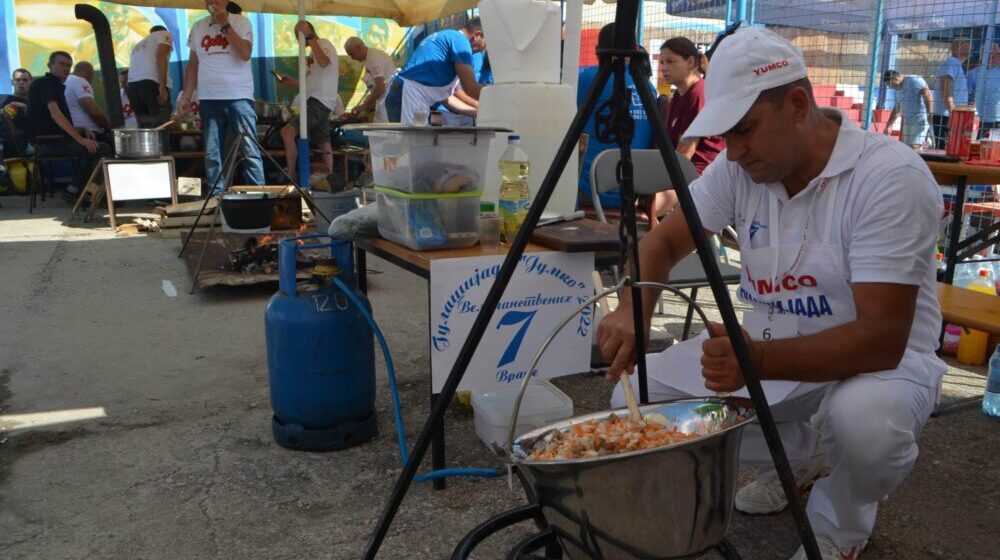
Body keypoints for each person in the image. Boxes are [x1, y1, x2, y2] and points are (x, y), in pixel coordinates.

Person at [596, 28, 945, 560]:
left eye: (745, 130)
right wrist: (633, 307)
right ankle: (800, 458)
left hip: (879, 367)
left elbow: (881, 339)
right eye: (726, 134)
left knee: (864, 423)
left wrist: (755, 360)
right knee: (643, 400)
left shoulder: (889, 176)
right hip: (774, 351)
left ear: (799, 105)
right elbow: (662, 243)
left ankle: (839, 523)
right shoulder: (741, 169)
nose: (733, 151)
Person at [179, 0, 263, 195]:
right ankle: (217, 197)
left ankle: (258, 195)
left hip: (239, 96)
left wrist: (225, 25)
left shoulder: (241, 22)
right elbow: (192, 65)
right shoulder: (198, 26)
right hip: (208, 97)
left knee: (249, 148)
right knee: (212, 152)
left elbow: (245, 53)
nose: (212, 1)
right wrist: (186, 97)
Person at [577, 24, 657, 210]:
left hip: (591, 190)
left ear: (598, 50)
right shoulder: (648, 87)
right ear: (634, 49)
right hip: (634, 192)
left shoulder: (589, 78)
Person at [652, 37, 725, 224]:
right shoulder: (678, 95)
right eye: (662, 62)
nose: (663, 68)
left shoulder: (698, 94)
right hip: (683, 176)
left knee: (643, 205)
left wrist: (652, 181)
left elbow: (684, 155)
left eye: (670, 61)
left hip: (698, 178)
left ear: (690, 62)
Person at [25, 51, 113, 199]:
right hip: (47, 144)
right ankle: (83, 193)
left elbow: (50, 122)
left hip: (54, 140)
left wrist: (80, 129)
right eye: (61, 64)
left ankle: (79, 189)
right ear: (50, 65)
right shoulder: (46, 83)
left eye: (68, 65)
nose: (66, 68)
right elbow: (55, 114)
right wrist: (80, 139)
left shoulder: (57, 86)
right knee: (102, 149)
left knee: (101, 143)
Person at [383, 17, 486, 125]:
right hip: (409, 96)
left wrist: (477, 113)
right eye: (484, 44)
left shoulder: (448, 37)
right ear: (478, 35)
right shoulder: (461, 42)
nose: (478, 53)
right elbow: (470, 87)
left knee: (415, 135)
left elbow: (446, 98)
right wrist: (495, 100)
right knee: (412, 136)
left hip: (404, 94)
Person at [274, 20, 340, 183]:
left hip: (320, 100)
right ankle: (330, 179)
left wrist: (310, 37)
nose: (299, 41)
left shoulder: (323, 44)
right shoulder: (312, 53)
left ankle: (292, 174)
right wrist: (293, 82)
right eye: (298, 37)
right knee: (323, 142)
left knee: (287, 132)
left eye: (300, 36)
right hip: (317, 100)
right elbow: (311, 81)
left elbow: (324, 63)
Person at [127, 25, 174, 128]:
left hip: (132, 86)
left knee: (145, 128)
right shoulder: (164, 34)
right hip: (151, 83)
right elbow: (161, 56)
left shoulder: (138, 45)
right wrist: (162, 87)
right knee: (160, 127)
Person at [343, 36, 397, 123]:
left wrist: (364, 106)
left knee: (384, 131)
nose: (352, 58)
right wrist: (365, 107)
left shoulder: (374, 58)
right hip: (384, 102)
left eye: (352, 54)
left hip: (388, 104)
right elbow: (376, 88)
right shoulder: (369, 58)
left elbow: (380, 88)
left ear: (359, 48)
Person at [930, 38, 971, 149]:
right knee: (945, 149)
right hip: (946, 116)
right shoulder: (952, 63)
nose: (971, 46)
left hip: (948, 114)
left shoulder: (956, 64)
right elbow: (945, 87)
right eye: (967, 42)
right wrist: (952, 113)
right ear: (958, 47)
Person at [882, 70, 932, 149]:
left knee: (915, 147)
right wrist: (889, 125)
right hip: (907, 122)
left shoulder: (913, 80)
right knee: (906, 149)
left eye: (890, 84)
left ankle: (927, 142)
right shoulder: (897, 90)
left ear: (897, 78)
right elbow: (897, 109)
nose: (890, 87)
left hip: (919, 119)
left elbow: (927, 94)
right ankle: (926, 143)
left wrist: (930, 113)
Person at [64, 61, 113, 142]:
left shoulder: (65, 82)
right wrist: (109, 128)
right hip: (89, 133)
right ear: (90, 74)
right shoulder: (80, 81)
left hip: (74, 132)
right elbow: (95, 113)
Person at [967, 44, 1000, 138]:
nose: (995, 57)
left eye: (998, 54)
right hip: (978, 119)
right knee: (976, 145)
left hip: (997, 119)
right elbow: (967, 96)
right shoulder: (972, 74)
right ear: (983, 56)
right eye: (991, 54)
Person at [0, 68, 31, 159]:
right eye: (17, 80)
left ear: (31, 82)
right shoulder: (2, 100)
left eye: (25, 80)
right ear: (12, 82)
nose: (21, 82)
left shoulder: (35, 103)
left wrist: (26, 109)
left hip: (23, 147)